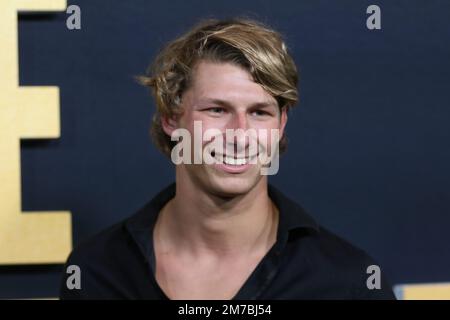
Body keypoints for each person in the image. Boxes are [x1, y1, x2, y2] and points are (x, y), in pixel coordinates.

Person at [60, 18, 396, 299]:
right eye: (217, 110)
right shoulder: (96, 273)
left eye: (260, 112)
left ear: (280, 125)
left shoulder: (347, 283)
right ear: (171, 118)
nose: (239, 133)